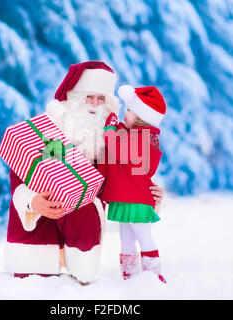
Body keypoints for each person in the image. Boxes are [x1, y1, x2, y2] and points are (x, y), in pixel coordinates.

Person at [4, 61, 165, 285]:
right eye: (89, 96)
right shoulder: (50, 128)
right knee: (34, 283)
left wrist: (151, 195)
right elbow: (21, 174)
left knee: (87, 211)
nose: (95, 104)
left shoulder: (109, 138)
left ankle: (86, 269)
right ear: (75, 97)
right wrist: (32, 202)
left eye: (102, 99)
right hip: (40, 220)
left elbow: (129, 173)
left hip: (80, 223)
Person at [100, 84, 167, 283]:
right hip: (126, 195)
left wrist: (109, 128)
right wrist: (115, 127)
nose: (125, 114)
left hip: (135, 196)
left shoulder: (143, 137)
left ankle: (153, 274)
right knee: (126, 236)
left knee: (141, 233)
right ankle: (129, 274)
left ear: (140, 117)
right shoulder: (136, 135)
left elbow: (117, 150)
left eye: (129, 110)